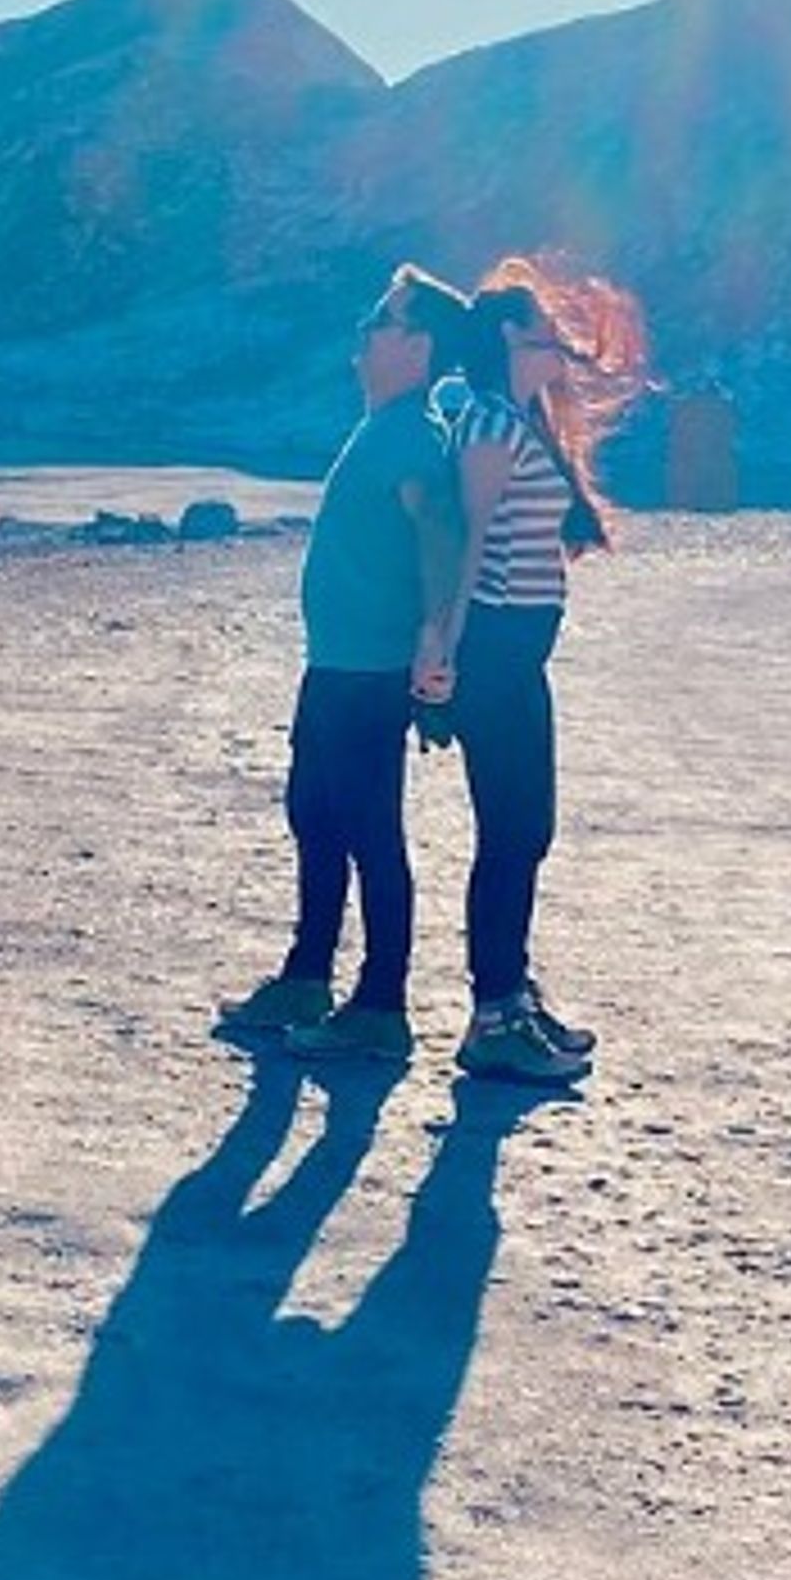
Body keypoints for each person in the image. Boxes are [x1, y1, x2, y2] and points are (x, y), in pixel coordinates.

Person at [216, 268, 472, 1059]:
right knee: (314, 817)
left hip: (367, 672)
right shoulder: (386, 424)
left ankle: (382, 1005)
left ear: (418, 345)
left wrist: (436, 639)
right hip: (335, 666)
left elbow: (439, 531)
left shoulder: (411, 434)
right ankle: (307, 976)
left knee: (369, 831)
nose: (364, 334)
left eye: (381, 320)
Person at [431, 257, 644, 1085]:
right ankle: (493, 1016)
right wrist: (441, 656)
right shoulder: (488, 425)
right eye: (542, 336)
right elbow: (468, 542)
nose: (557, 347)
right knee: (510, 833)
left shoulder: (514, 421)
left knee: (528, 831)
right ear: (506, 344)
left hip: (519, 655)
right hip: (490, 651)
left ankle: (511, 996)